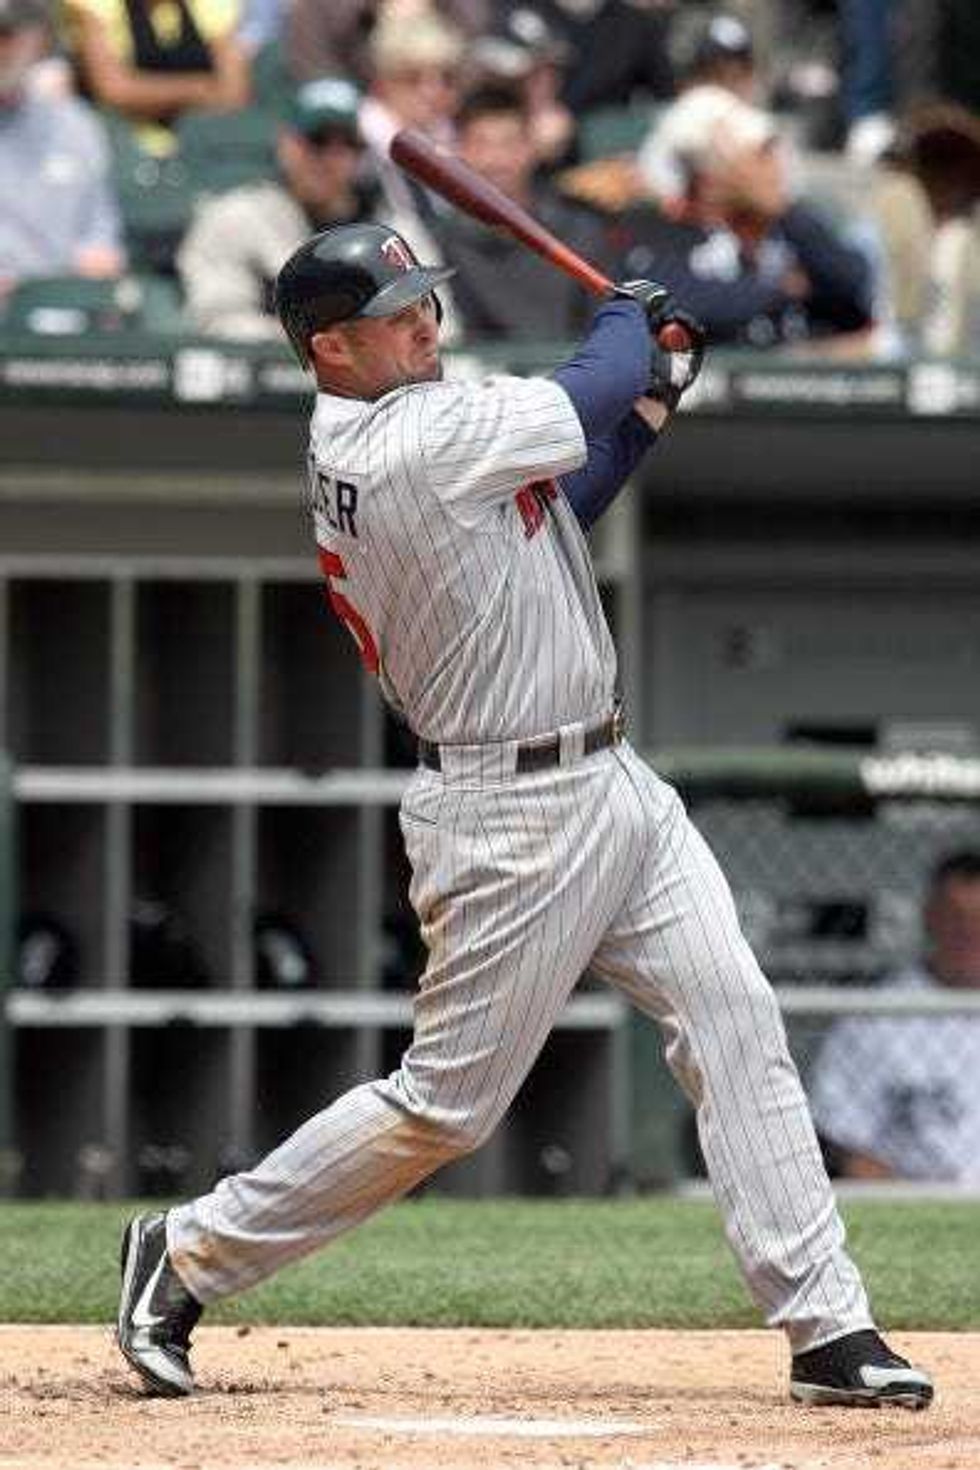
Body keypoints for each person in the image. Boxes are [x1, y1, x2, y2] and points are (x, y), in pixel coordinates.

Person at [116, 220, 933, 1414]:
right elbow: (586, 382)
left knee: (733, 1018)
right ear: (329, 351)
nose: (425, 329)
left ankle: (826, 1326)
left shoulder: (434, 434)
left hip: (610, 782)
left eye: (425, 305)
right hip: (506, 812)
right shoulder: (400, 439)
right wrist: (628, 323)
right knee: (446, 1105)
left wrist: (647, 409)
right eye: (395, 319)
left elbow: (555, 509)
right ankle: (185, 1250)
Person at [621, 90, 875, 349]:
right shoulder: (664, 230)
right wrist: (782, 291)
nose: (776, 166)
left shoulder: (793, 226)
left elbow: (854, 284)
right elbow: (671, 305)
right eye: (759, 156)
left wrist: (783, 210)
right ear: (710, 177)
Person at [809, 850, 980, 1183]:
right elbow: (843, 1142)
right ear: (930, 918)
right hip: (916, 1202)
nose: (969, 933)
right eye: (955, 917)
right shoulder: (876, 1017)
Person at [177, 76, 373, 340]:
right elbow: (216, 322)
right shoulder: (237, 216)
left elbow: (438, 328)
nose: (330, 158)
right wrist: (324, 346)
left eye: (347, 143)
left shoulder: (390, 225)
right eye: (318, 140)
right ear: (287, 144)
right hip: (267, 376)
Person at [433, 81, 610, 341]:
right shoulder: (439, 240)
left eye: (509, 143)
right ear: (460, 151)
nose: (496, 160)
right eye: (481, 144)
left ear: (531, 147)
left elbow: (602, 329)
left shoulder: (580, 232)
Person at [0, 0, 124, 300]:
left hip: (55, 312)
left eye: (8, 34)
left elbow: (101, 239)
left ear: (37, 41)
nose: (2, 49)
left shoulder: (74, 125)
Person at [64, 0, 251, 154]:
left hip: (205, 145)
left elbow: (235, 93)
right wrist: (201, 89)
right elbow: (113, 90)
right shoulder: (95, 6)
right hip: (125, 149)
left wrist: (147, 93)